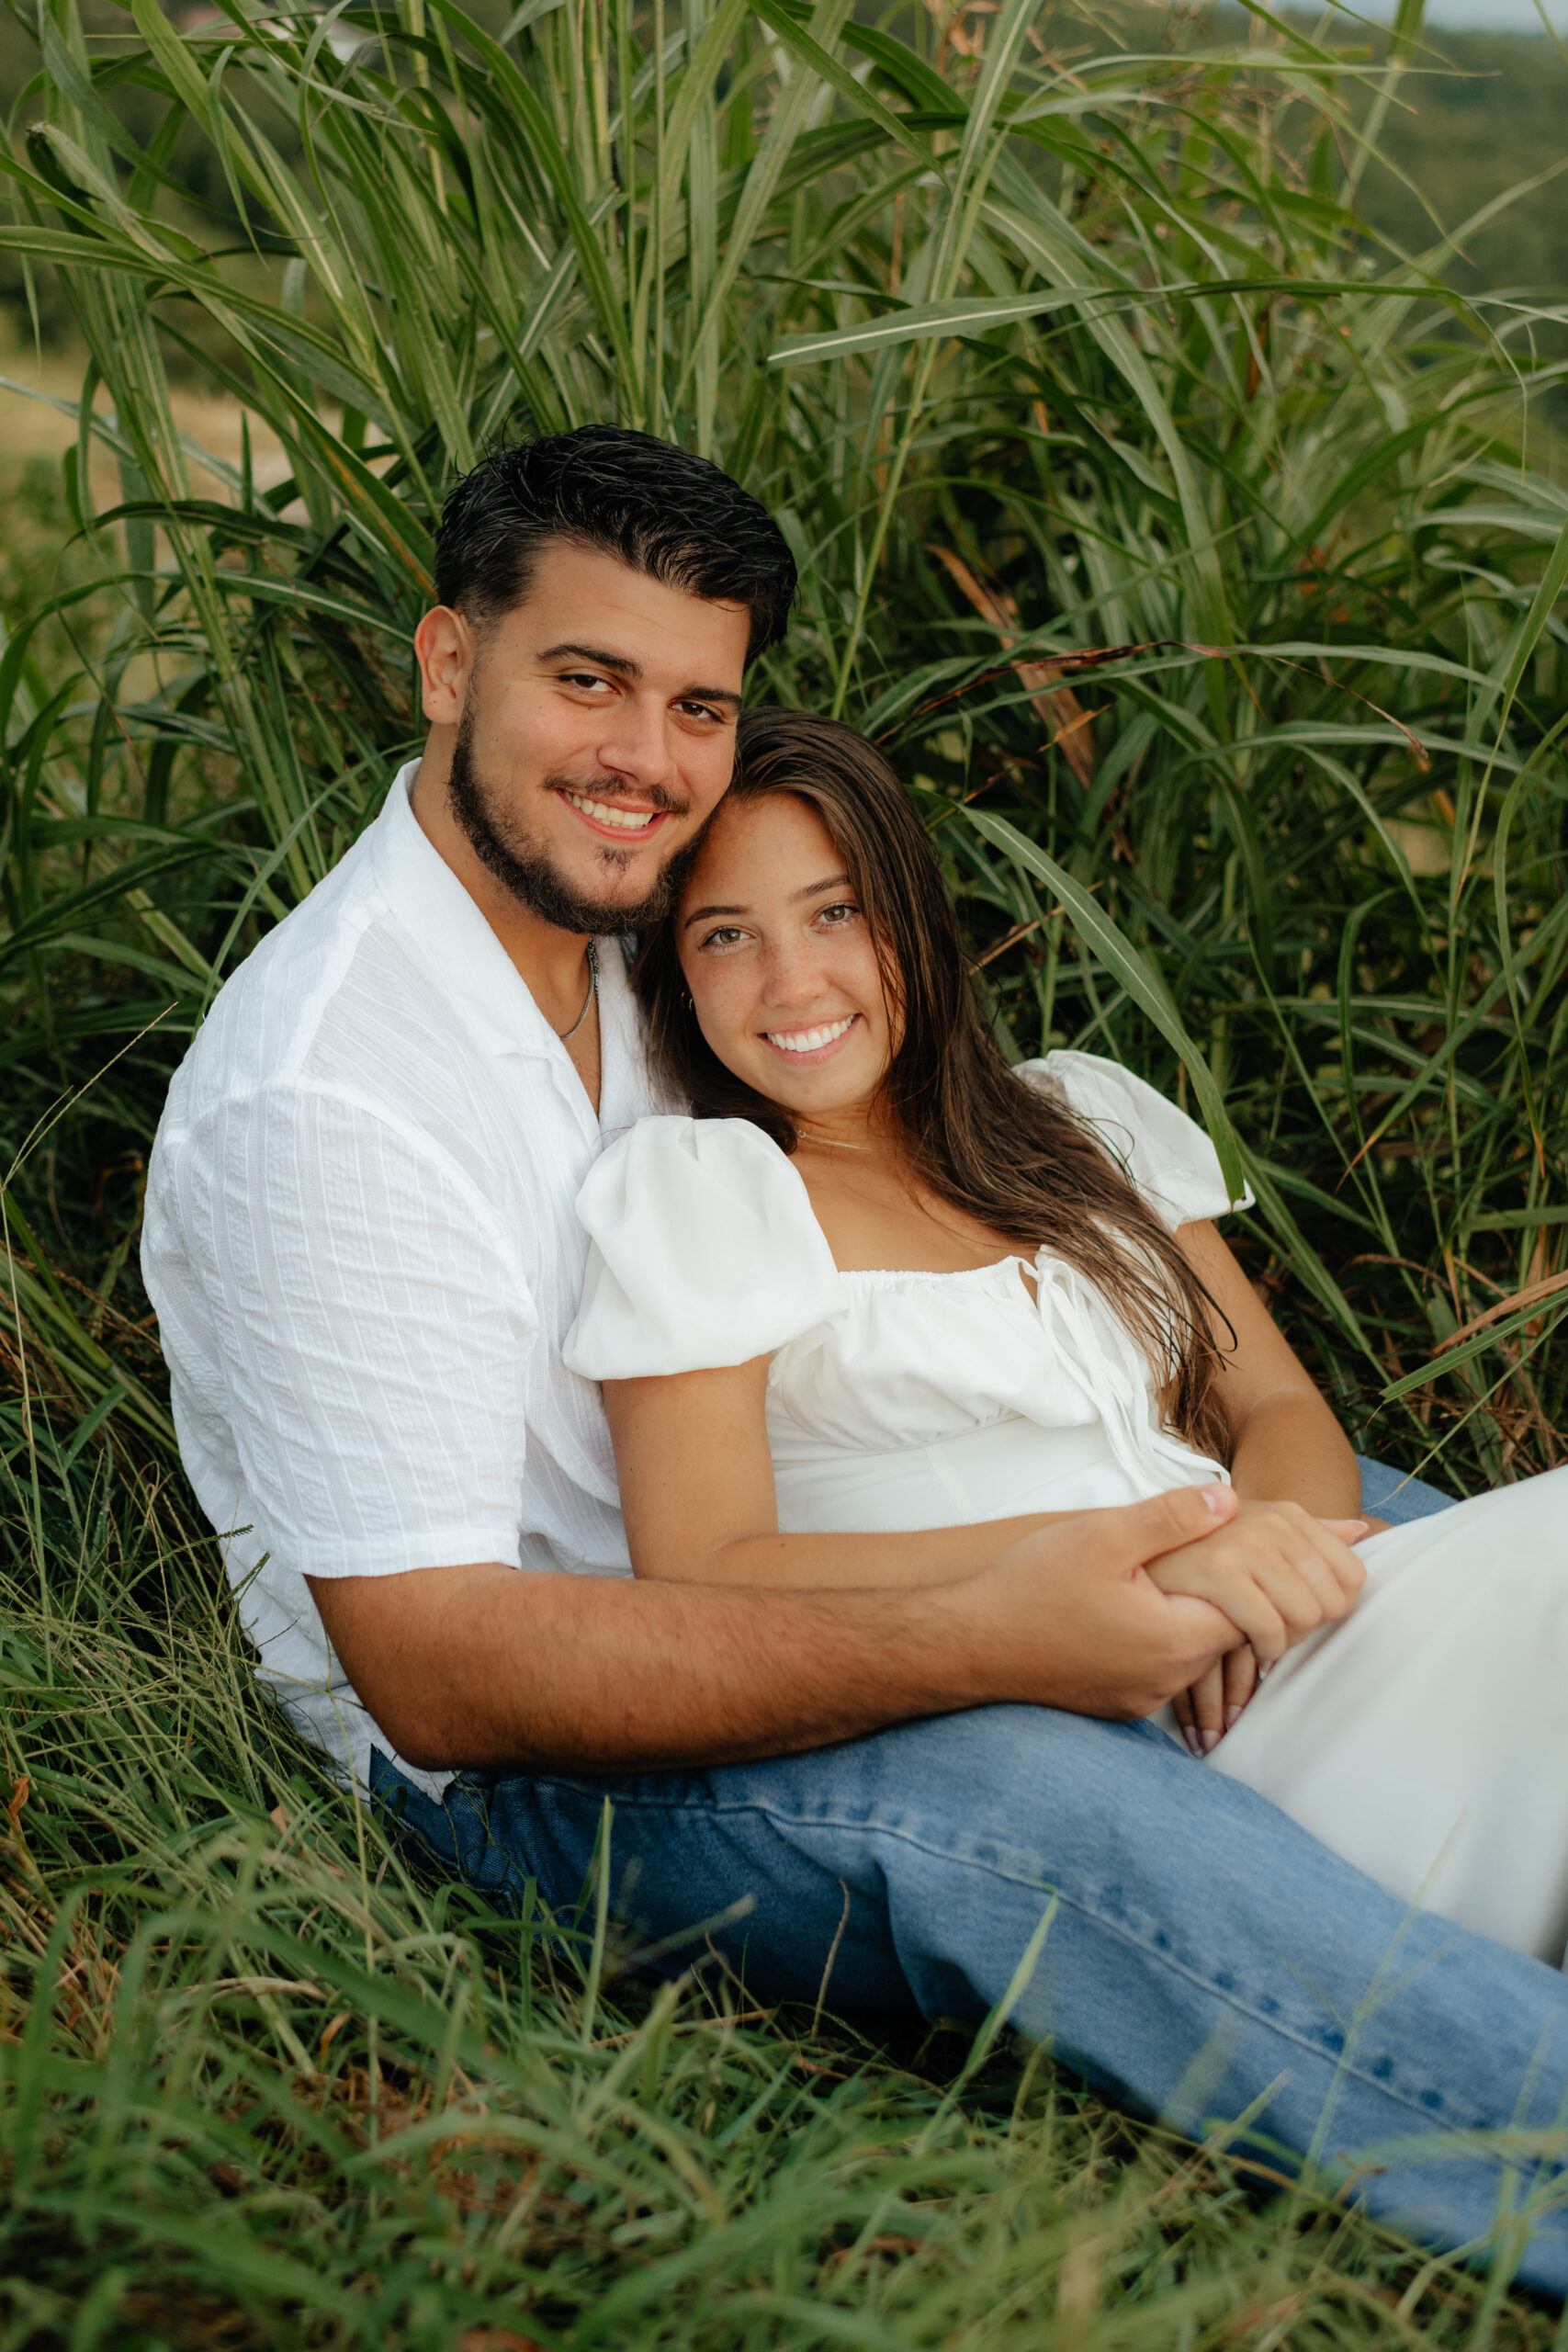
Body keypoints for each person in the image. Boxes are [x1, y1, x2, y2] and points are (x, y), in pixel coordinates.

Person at [141, 424, 1568, 2296]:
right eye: (585, 678)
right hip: (546, 1746)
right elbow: (437, 1667)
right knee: (1043, 1795)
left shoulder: (634, 946)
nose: (643, 758)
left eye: (695, 703)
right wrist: (999, 1618)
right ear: (443, 660)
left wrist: (1165, 1530)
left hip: (841, 1538)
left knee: (1393, 1544)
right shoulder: (333, 1089)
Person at [567, 706, 1568, 1973]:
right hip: (1091, 1714)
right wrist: (1138, 1567)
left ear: (914, 922)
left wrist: (1268, 1580)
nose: (793, 982)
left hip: (1275, 1643)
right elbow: (703, 1569)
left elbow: (1274, 1412)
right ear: (674, 974)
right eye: (727, 936)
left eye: (836, 914)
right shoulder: (705, 1193)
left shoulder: (1074, 1124)